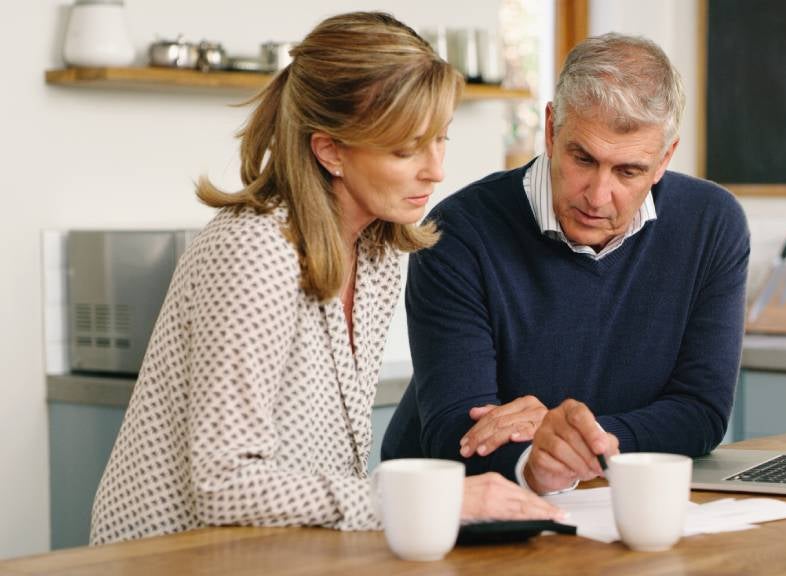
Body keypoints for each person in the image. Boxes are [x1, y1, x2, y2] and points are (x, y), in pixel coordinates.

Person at [90, 12, 561, 546]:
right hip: (168, 557)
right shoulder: (255, 249)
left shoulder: (380, 249)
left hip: (281, 552)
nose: (435, 170)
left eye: (440, 139)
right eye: (406, 149)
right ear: (330, 150)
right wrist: (427, 500)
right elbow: (222, 486)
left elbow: (333, 463)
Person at [382, 33, 749, 495]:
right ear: (552, 127)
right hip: (447, 508)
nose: (598, 196)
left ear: (664, 159)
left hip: (598, 497)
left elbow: (700, 412)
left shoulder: (711, 224)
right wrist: (542, 457)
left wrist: (572, 440)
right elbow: (455, 430)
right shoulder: (457, 232)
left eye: (628, 171)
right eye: (583, 158)